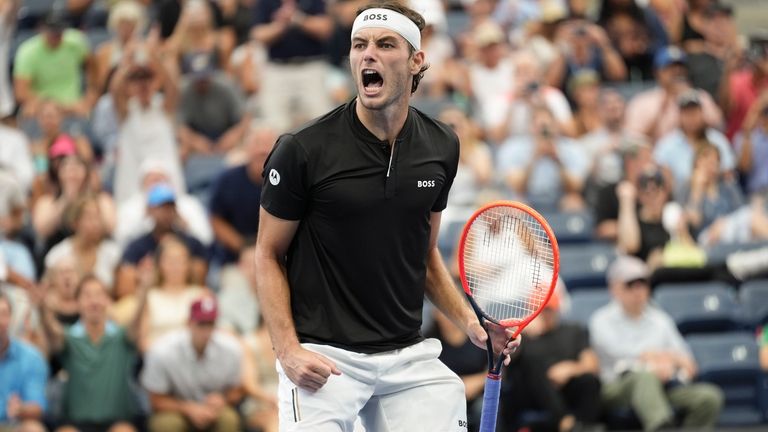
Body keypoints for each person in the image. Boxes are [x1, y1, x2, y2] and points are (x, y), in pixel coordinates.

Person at [254, 3, 519, 430]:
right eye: (359, 45)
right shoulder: (303, 149)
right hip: (326, 356)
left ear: (417, 61)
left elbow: (425, 253)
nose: (368, 55)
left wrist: (473, 324)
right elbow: (267, 254)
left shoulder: (441, 145)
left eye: (385, 44)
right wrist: (287, 350)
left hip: (405, 356)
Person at [589, 255, 723, 431]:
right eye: (630, 284)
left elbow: (687, 360)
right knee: (644, 377)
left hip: (664, 385)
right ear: (614, 288)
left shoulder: (661, 319)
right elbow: (617, 354)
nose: (638, 290)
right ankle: (662, 427)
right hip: (617, 388)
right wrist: (656, 362)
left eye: (643, 283)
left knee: (709, 397)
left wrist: (666, 361)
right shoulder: (601, 320)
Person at [39, 275, 145, 432]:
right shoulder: (69, 338)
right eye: (87, 295)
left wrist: (144, 290)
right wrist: (42, 308)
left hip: (117, 423)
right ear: (77, 303)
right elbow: (53, 334)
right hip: (75, 423)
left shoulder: (122, 337)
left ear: (108, 300)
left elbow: (137, 321)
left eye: (99, 295)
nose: (94, 302)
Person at [503, 289, 602, 432]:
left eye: (549, 310)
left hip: (564, 389)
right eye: (540, 310)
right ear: (533, 311)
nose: (545, 314)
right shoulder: (523, 334)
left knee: (589, 381)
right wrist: (520, 330)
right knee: (532, 363)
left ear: (557, 309)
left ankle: (583, 426)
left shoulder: (573, 330)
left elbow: (592, 365)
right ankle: (565, 421)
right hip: (530, 392)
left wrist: (571, 368)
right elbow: (507, 362)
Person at [140, 296, 243, 432]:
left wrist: (223, 399)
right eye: (201, 324)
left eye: (210, 324)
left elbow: (237, 389)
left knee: (229, 419)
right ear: (188, 323)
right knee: (166, 425)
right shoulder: (163, 350)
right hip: (175, 408)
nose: (206, 331)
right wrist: (188, 408)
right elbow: (155, 400)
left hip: (212, 409)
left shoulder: (231, 349)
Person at [115, 183, 208, 299]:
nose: (166, 212)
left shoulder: (191, 243)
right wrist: (141, 275)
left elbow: (201, 276)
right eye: (161, 207)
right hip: (146, 298)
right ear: (149, 210)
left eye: (170, 207)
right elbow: (123, 287)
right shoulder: (137, 245)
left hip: (184, 297)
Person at [0, 291, 48, 432]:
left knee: (34, 429)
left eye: (3, 314)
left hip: (12, 426)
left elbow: (37, 407)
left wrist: (21, 409)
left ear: (11, 319)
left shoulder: (31, 358)